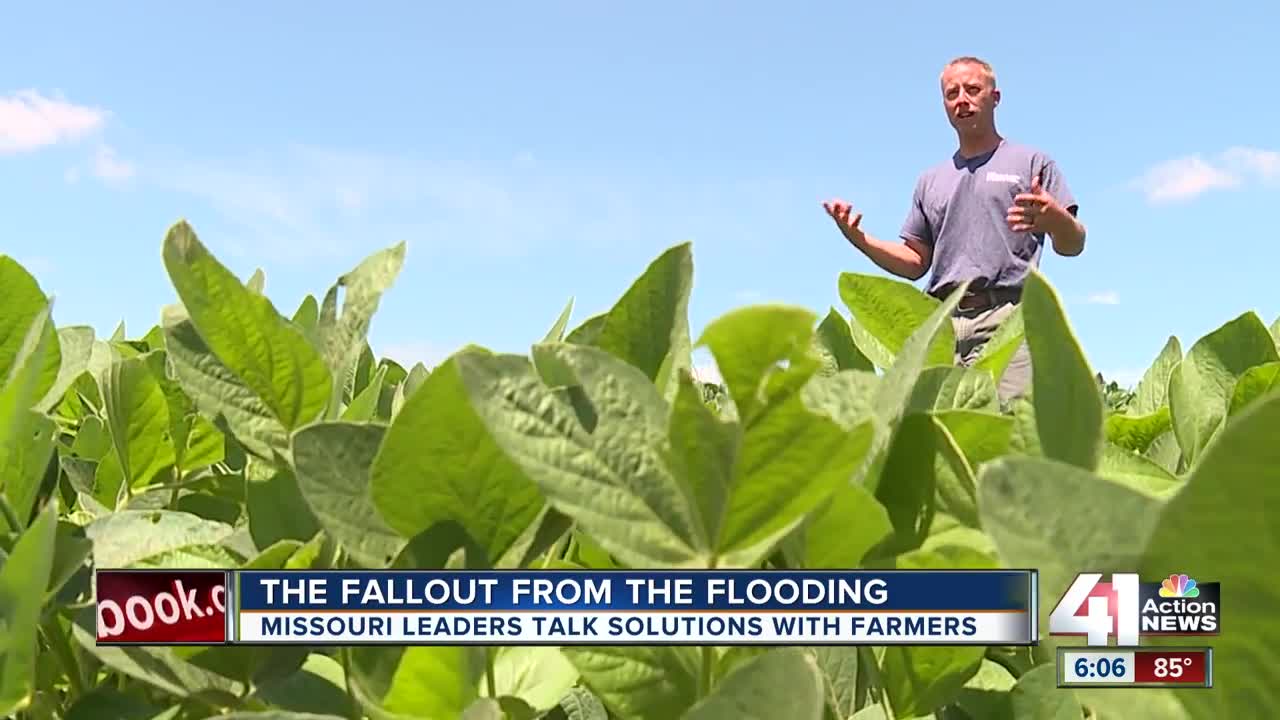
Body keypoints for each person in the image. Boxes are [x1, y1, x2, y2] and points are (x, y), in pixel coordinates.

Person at [823, 56, 1086, 404]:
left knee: (1007, 434)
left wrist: (1056, 220)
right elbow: (916, 261)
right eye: (952, 93)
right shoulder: (930, 181)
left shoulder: (1032, 163)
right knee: (939, 434)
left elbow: (1073, 244)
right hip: (940, 326)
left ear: (995, 97)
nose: (962, 99)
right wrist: (861, 240)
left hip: (1009, 320)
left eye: (972, 89)